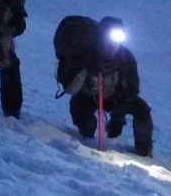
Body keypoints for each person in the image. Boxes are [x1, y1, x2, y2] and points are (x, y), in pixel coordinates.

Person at [64, 17, 154, 157]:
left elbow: (132, 89)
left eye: (117, 40)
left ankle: (144, 150)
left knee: (142, 110)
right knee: (87, 127)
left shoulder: (126, 58)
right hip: (87, 97)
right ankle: (85, 141)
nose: (112, 45)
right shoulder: (86, 54)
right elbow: (70, 88)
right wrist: (85, 69)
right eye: (108, 39)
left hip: (115, 96)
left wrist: (118, 116)